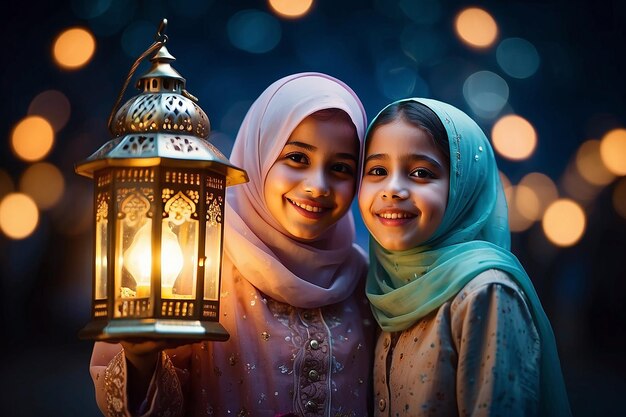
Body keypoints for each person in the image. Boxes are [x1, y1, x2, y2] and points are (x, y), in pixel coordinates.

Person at [90, 72, 375, 417]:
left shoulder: (365, 281)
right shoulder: (196, 268)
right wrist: (141, 358)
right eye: (297, 158)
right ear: (259, 153)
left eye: (341, 167)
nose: (317, 186)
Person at [358, 98, 571, 417]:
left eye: (420, 172)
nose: (393, 189)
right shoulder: (381, 287)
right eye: (377, 170)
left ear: (463, 185)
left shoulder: (486, 294)